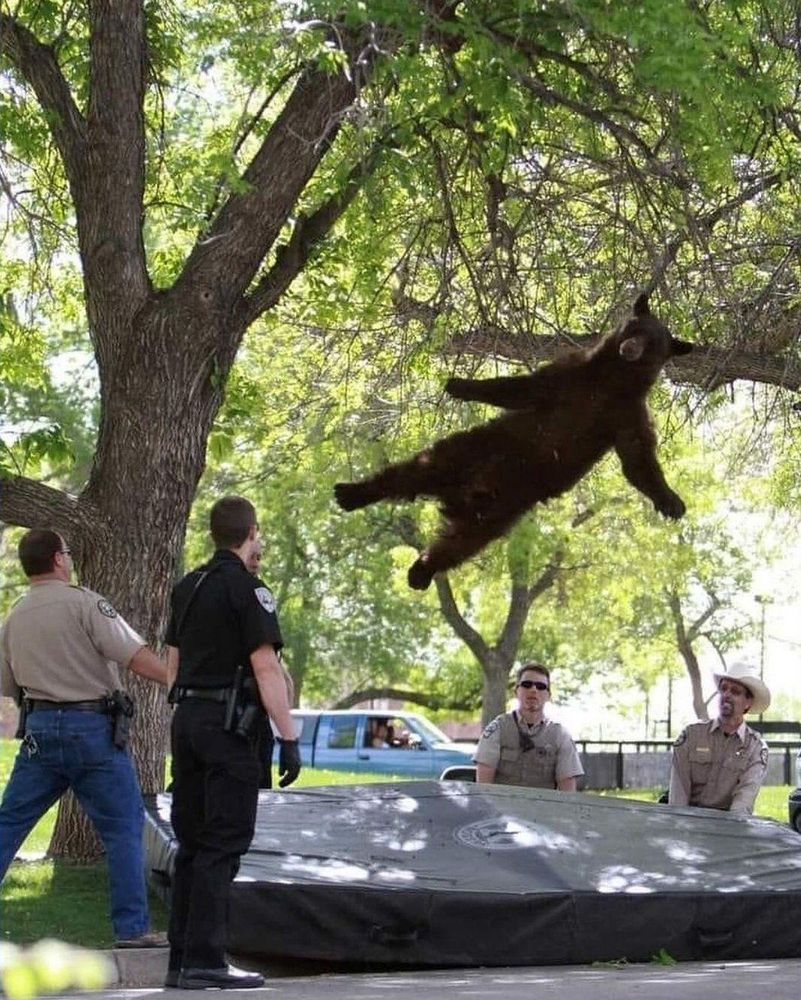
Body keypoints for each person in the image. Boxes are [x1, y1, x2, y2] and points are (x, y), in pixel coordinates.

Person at [0, 528, 167, 948]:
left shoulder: (15, 617)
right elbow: (134, 656)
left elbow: (7, 683)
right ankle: (131, 929)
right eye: (68, 553)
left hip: (39, 730)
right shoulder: (86, 603)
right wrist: (177, 680)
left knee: (9, 825)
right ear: (58, 559)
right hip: (92, 729)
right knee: (123, 828)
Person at [164, 496, 301, 990]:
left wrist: (189, 718)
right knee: (223, 843)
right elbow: (265, 667)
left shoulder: (188, 586)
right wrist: (288, 736)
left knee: (191, 843)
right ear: (251, 532)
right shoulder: (249, 590)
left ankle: (181, 961)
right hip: (230, 728)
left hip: (188, 721)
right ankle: (207, 961)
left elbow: (173, 667)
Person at [668, 661, 770, 814]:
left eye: (735, 691)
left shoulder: (755, 749)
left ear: (748, 703)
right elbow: (678, 797)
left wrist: (726, 827)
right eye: (723, 689)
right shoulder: (691, 735)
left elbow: (742, 804)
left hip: (728, 825)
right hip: (687, 821)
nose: (726, 695)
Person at [473, 662, 584, 790]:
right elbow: (483, 786)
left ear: (548, 695)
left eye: (541, 686)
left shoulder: (560, 735)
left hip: (543, 803)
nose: (533, 690)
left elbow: (568, 792)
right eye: (527, 684)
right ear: (516, 691)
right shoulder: (498, 728)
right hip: (502, 803)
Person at [245, 542, 295, 789]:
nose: (256, 562)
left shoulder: (196, 587)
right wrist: (289, 739)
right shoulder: (254, 593)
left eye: (259, 557)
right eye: (252, 556)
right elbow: (265, 666)